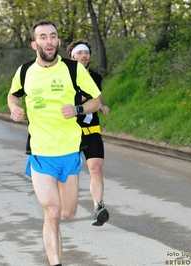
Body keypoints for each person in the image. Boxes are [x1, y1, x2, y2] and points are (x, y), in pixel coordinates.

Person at [7, 20, 101, 266]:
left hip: (69, 150)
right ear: (34, 43)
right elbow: (13, 95)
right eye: (43, 37)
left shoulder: (73, 69)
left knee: (68, 213)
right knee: (53, 212)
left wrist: (78, 108)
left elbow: (97, 101)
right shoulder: (25, 71)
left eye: (53, 36)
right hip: (40, 152)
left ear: (58, 41)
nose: (49, 41)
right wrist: (14, 108)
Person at [67, 39, 110, 226]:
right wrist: (80, 98)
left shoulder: (95, 77)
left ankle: (98, 207)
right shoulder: (64, 77)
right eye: (79, 53)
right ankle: (63, 205)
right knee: (70, 172)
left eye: (86, 53)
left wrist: (102, 106)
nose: (84, 56)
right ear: (72, 57)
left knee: (95, 168)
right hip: (70, 130)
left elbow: (98, 96)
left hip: (91, 128)